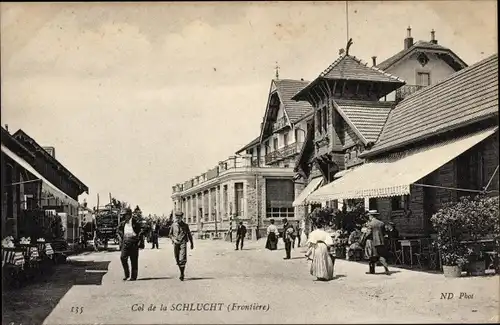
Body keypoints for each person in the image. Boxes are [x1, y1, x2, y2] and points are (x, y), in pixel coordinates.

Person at [117, 208, 145, 281]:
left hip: (134, 243)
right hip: (125, 242)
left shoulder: (135, 222)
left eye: (125, 215)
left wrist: (139, 240)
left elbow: (141, 231)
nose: (124, 216)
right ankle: (126, 275)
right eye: (123, 215)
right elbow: (118, 230)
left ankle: (133, 276)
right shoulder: (122, 223)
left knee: (134, 260)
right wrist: (121, 237)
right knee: (123, 258)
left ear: (129, 215)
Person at [361, 210, 390, 275]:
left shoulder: (370, 224)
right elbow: (384, 233)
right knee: (381, 256)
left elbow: (368, 233)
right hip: (380, 242)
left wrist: (363, 239)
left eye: (369, 216)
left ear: (371, 216)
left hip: (372, 242)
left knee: (371, 256)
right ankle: (386, 270)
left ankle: (372, 271)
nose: (368, 217)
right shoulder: (381, 223)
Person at [169, 211, 194, 281]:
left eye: (179, 217)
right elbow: (170, 234)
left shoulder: (185, 225)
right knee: (177, 258)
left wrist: (192, 243)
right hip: (176, 243)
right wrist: (174, 240)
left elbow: (189, 234)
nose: (178, 218)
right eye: (176, 217)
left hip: (183, 243)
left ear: (182, 217)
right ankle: (181, 271)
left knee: (182, 259)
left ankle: (182, 274)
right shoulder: (173, 225)